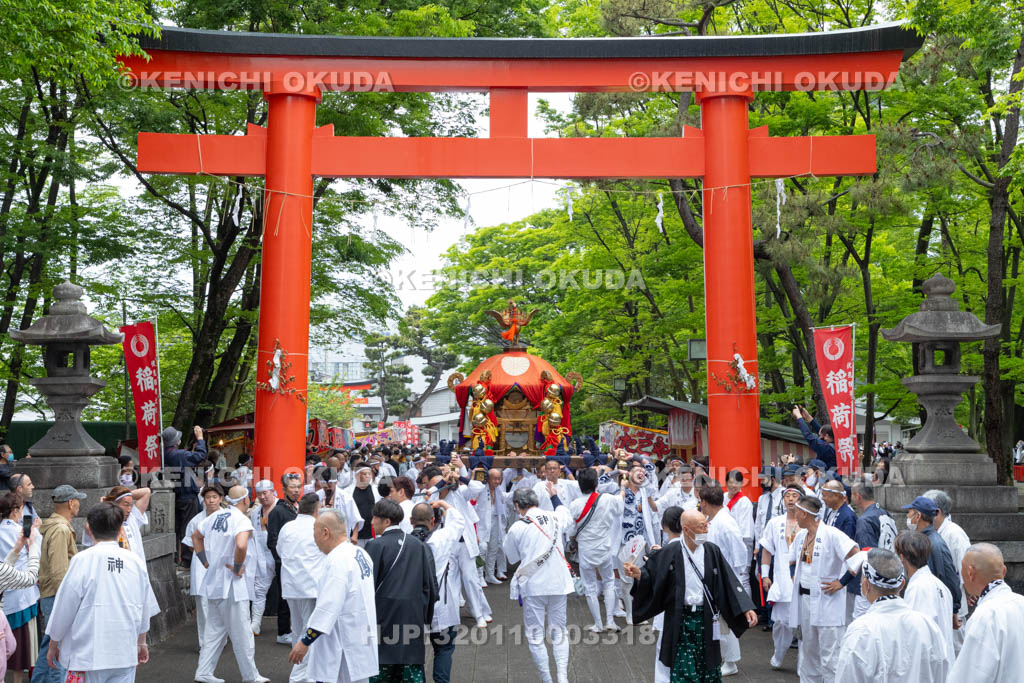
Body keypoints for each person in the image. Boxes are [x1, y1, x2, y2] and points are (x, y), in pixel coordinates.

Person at [627, 507, 757, 682]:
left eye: (706, 525)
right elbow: (654, 575)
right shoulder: (671, 551)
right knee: (684, 670)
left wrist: (745, 607)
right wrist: (640, 575)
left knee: (708, 667)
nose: (706, 530)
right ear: (686, 530)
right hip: (681, 618)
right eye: (702, 527)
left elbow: (728, 581)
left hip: (706, 618)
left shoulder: (712, 550)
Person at [44, 503, 159, 683]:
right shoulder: (135, 562)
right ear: (120, 529)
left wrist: (53, 643)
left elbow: (65, 606)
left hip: (87, 653)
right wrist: (141, 641)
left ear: (88, 528)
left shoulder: (82, 560)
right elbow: (143, 606)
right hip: (123, 651)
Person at [286, 508, 379, 683]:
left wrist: (305, 641)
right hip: (359, 636)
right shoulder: (361, 553)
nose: (314, 539)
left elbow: (328, 606)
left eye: (314, 533)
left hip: (342, 643)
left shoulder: (337, 560)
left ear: (325, 533)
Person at [834, 548, 949, 683]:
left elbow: (847, 677)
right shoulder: (928, 625)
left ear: (866, 585)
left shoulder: (861, 630)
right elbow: (941, 672)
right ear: (902, 584)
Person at [191, 485, 269, 683]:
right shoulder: (240, 520)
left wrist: (206, 562)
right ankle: (250, 675)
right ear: (245, 500)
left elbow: (196, 536)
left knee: (214, 631)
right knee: (242, 632)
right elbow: (241, 544)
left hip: (214, 581)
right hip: (232, 585)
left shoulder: (214, 517)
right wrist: (237, 566)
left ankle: (203, 672)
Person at [503, 487, 574, 683]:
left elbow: (511, 556)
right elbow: (565, 513)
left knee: (535, 636)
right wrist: (554, 495)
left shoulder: (517, 527)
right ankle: (562, 677)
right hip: (558, 583)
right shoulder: (554, 517)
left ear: (517, 506)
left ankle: (547, 679)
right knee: (559, 631)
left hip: (533, 585)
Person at [364, 498, 438, 683]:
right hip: (412, 619)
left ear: (386, 521)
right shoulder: (419, 545)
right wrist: (424, 617)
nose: (371, 522)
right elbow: (430, 586)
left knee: (381, 672)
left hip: (383, 618)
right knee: (411, 673)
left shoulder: (375, 546)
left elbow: (366, 587)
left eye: (375, 518)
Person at [788, 494, 859, 683]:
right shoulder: (802, 535)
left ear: (805, 514)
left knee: (830, 653)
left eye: (797, 510)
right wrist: (793, 573)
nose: (794, 513)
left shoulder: (831, 534)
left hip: (827, 600)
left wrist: (842, 582)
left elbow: (857, 555)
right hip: (805, 600)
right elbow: (792, 559)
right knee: (808, 650)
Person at [553, 467, 623, 632]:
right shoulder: (607, 499)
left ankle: (598, 624)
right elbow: (620, 507)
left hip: (586, 550)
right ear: (596, 483)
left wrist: (571, 541)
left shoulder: (575, 504)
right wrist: (623, 488)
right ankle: (610, 621)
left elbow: (570, 529)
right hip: (605, 548)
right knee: (609, 581)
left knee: (590, 586)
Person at [32, 485, 87, 683]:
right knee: (59, 653)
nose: (79, 504)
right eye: (77, 500)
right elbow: (58, 571)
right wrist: (68, 601)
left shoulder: (54, 527)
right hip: (57, 595)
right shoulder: (61, 529)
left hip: (51, 594)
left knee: (49, 647)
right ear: (71, 503)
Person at [948, 543, 1024, 681]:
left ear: (970, 573)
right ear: (1004, 571)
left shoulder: (986, 616)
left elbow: (971, 674)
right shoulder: (1020, 602)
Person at [410, 499, 464, 683]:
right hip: (440, 605)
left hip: (413, 608)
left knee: (415, 653)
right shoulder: (441, 539)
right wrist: (444, 504)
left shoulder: (405, 542)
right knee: (444, 649)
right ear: (433, 521)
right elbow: (458, 521)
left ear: (411, 521)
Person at [699, 481, 750, 677]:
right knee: (718, 621)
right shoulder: (714, 519)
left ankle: (731, 662)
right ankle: (724, 658)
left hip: (726, 578)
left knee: (725, 622)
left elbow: (739, 554)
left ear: (704, 502)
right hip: (715, 577)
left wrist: (734, 581)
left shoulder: (726, 522)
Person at [278, 492, 326, 683]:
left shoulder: (287, 527)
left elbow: (280, 551)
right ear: (316, 508)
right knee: (310, 630)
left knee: (298, 628)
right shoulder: (318, 527)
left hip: (291, 584)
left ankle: (304, 673)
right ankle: (300, 676)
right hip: (311, 585)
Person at [758, 484, 803, 670]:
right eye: (787, 496)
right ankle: (779, 654)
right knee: (781, 623)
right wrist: (766, 576)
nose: (790, 499)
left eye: (794, 496)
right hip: (781, 578)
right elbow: (767, 551)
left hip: (801, 579)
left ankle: (803, 664)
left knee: (802, 625)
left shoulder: (808, 522)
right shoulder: (774, 523)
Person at [894, 530, 954, 666]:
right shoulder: (938, 584)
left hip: (930, 666)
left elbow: (917, 634)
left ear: (902, 558)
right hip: (942, 662)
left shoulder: (919, 587)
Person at [922, 488, 970, 652]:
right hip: (940, 601)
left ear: (938, 512)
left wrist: (968, 592)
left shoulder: (954, 534)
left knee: (957, 649)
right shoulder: (934, 532)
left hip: (954, 604)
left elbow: (965, 566)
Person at [0, 492, 40, 683]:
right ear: (16, 510)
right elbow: (30, 577)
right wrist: (32, 542)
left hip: (12, 594)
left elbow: (5, 569)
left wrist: (16, 550)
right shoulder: (17, 530)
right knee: (19, 649)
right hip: (19, 594)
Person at [180, 484, 224, 655]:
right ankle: (205, 643)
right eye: (208, 497)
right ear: (203, 500)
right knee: (203, 604)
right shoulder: (196, 520)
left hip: (222, 565)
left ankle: (220, 638)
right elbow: (191, 545)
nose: (211, 500)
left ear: (220, 498)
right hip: (201, 564)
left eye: (214, 497)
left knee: (221, 603)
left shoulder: (228, 517)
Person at [901, 496, 962, 618]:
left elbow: (948, 576)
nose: (907, 516)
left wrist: (954, 610)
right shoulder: (924, 540)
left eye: (909, 512)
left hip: (930, 605)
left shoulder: (933, 543)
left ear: (917, 516)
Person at [848, 481, 897, 618]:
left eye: (852, 494)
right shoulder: (884, 512)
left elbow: (867, 554)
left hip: (873, 582)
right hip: (890, 573)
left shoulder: (865, 520)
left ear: (858, 496)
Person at [163, 425, 208, 565]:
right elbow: (200, 456)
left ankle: (176, 557)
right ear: (176, 441)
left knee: (177, 527)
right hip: (186, 494)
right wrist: (200, 438)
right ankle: (187, 559)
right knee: (188, 526)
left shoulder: (163, 454)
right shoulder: (179, 454)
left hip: (173, 494)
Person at [267, 472, 302, 645]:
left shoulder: (296, 508)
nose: (296, 490)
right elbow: (271, 541)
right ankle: (283, 631)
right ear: (283, 489)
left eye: (298, 486)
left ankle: (291, 629)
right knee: (284, 597)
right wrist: (281, 560)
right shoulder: (278, 512)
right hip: (285, 562)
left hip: (297, 561)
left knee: (293, 597)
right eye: (292, 487)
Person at [248, 480, 277, 635]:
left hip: (280, 555)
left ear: (272, 491)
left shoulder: (282, 508)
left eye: (265, 493)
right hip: (261, 556)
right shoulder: (255, 513)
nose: (262, 496)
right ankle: (255, 623)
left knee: (291, 592)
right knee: (259, 591)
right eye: (259, 494)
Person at [475, 468, 511, 584]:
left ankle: (489, 574)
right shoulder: (481, 489)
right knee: (482, 548)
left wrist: (518, 492)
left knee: (493, 548)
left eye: (499, 479)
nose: (497, 481)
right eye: (494, 479)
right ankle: (480, 576)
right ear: (488, 479)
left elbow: (505, 497)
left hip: (495, 520)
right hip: (482, 522)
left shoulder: (498, 490)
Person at [792, 405, 836, 471]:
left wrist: (799, 417)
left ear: (826, 436)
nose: (819, 438)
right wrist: (808, 418)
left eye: (820, 436)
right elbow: (821, 430)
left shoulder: (827, 448)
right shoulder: (836, 443)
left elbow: (809, 437)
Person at [723, 470, 754, 560]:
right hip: (724, 544)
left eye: (737, 482)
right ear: (726, 483)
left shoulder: (744, 502)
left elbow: (745, 530)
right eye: (731, 482)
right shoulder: (721, 498)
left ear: (742, 483)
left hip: (739, 545)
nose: (733, 485)